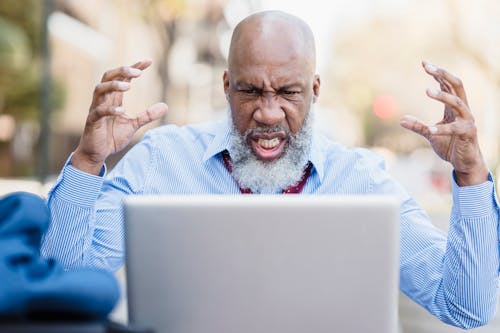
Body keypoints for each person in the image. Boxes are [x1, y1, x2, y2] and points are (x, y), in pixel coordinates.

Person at [41, 10, 499, 329]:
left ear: (315, 89)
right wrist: (86, 162)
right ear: (226, 86)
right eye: (250, 91)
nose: (268, 112)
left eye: (288, 92)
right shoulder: (162, 159)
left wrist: (472, 176)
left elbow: (465, 306)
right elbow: (63, 285)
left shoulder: (361, 179)